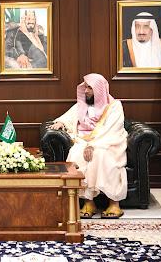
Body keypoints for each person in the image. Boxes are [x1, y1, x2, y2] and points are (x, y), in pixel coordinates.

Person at [49, 73, 127, 218]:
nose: (86, 91)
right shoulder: (82, 105)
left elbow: (112, 130)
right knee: (77, 153)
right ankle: (88, 202)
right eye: (85, 87)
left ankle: (114, 204)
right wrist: (61, 122)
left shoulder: (114, 106)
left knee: (102, 155)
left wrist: (93, 145)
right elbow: (69, 117)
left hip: (108, 142)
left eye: (89, 88)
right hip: (84, 141)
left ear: (99, 89)